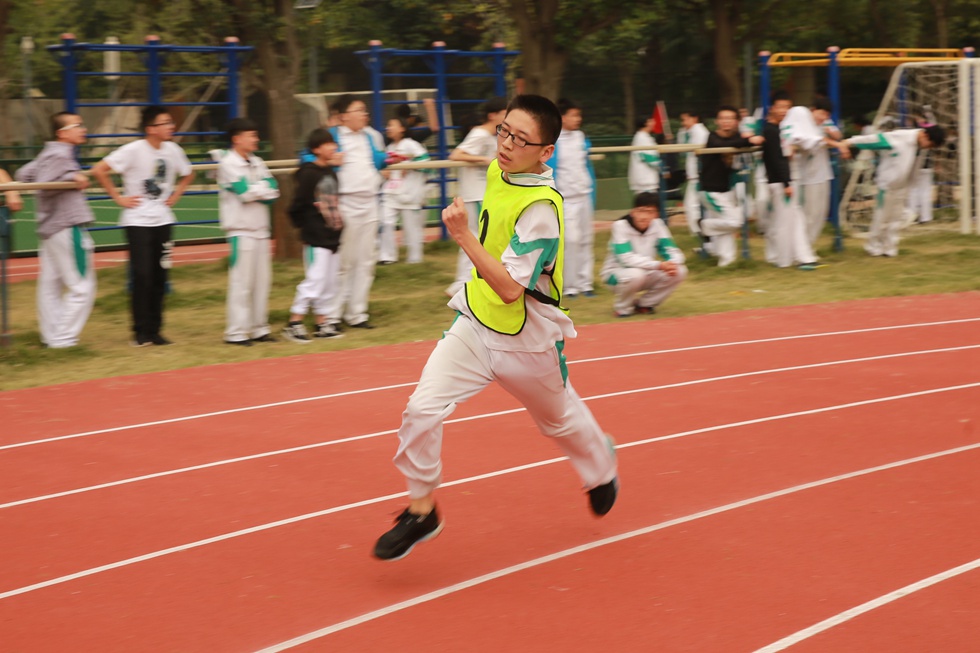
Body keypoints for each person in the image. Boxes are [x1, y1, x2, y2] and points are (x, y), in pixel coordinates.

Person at [373, 95, 619, 562]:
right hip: (475, 322)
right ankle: (422, 510)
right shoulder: (498, 170)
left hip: (527, 338)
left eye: (520, 140)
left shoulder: (542, 208)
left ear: (546, 151)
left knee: (558, 420)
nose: (505, 144)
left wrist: (462, 235)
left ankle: (601, 467)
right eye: (504, 131)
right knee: (421, 409)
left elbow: (509, 289)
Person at [92, 105, 193, 347]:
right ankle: (140, 332)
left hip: (163, 220)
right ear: (150, 128)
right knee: (142, 275)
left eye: (170, 122)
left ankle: (155, 330)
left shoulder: (173, 150)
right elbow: (99, 170)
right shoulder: (133, 149)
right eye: (165, 123)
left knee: (160, 276)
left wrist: (176, 194)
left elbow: (188, 174)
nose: (171, 127)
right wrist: (119, 198)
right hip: (137, 221)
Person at [14, 112, 95, 348]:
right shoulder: (60, 155)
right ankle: (62, 338)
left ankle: (52, 336)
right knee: (82, 287)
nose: (83, 129)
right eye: (77, 125)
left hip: (52, 228)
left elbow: (23, 175)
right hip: (66, 225)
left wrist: (69, 174)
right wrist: (72, 176)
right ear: (62, 133)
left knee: (51, 285)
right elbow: (45, 185)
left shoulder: (49, 152)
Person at [323, 94, 387, 330]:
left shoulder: (369, 136)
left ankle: (357, 314)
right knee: (343, 262)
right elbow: (308, 156)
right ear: (343, 116)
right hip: (345, 203)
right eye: (358, 110)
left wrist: (389, 159)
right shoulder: (332, 135)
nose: (364, 114)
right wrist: (330, 160)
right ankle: (331, 315)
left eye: (364, 110)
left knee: (366, 261)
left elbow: (378, 159)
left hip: (370, 202)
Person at [215, 117, 280, 346]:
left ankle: (259, 328)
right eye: (252, 135)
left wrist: (257, 190)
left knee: (262, 283)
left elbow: (274, 190)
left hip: (261, 229)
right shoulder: (227, 163)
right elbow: (244, 194)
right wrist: (261, 189)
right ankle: (236, 332)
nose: (256, 139)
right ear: (237, 139)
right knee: (241, 283)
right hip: (240, 230)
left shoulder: (257, 161)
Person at [839, 124, 946, 257]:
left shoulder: (920, 147)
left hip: (902, 186)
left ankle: (889, 248)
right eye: (930, 145)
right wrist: (849, 142)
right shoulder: (899, 137)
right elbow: (873, 139)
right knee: (881, 218)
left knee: (894, 220)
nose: (928, 148)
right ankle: (873, 247)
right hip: (887, 185)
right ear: (925, 135)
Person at [282, 128, 345, 343]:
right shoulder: (309, 174)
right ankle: (294, 322)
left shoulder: (331, 172)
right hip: (316, 237)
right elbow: (296, 206)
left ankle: (321, 323)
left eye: (333, 143)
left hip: (332, 236)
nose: (333, 147)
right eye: (327, 144)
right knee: (315, 281)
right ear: (316, 149)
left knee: (329, 282)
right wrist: (307, 228)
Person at [445, 96, 508, 297]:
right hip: (476, 195)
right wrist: (484, 159)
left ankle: (466, 283)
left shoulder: (492, 136)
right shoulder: (480, 133)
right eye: (505, 113)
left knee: (478, 238)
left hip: (482, 194)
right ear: (493, 115)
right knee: (477, 238)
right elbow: (456, 155)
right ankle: (461, 284)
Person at [600, 192, 686, 317]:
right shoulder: (620, 226)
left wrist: (673, 264)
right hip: (616, 276)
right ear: (633, 212)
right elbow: (626, 259)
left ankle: (645, 304)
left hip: (646, 272)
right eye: (640, 211)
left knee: (680, 271)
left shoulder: (658, 225)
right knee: (636, 274)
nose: (644, 216)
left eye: (650, 212)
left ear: (656, 214)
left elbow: (672, 250)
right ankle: (623, 308)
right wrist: (659, 265)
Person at [698, 105, 764, 267]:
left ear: (736, 121)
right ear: (717, 121)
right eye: (723, 118)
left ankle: (727, 261)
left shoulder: (735, 137)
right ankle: (704, 225)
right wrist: (748, 140)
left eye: (730, 118)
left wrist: (748, 139)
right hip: (710, 191)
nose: (726, 121)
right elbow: (720, 145)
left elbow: (738, 143)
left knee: (725, 226)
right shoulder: (712, 137)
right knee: (735, 222)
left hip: (726, 189)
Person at [759, 93, 818, 269]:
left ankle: (801, 256)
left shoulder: (782, 130)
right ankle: (783, 259)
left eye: (787, 107)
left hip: (784, 181)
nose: (784, 111)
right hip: (780, 182)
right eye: (780, 107)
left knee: (794, 219)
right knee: (784, 222)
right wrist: (786, 183)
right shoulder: (771, 131)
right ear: (772, 108)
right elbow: (777, 159)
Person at [548, 98, 596, 298]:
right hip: (565, 199)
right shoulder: (552, 139)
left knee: (586, 240)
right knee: (571, 241)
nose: (578, 119)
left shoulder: (581, 137)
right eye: (574, 115)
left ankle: (586, 283)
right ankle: (570, 286)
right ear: (562, 117)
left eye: (579, 115)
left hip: (584, 195)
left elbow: (586, 164)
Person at [782, 98, 838, 246]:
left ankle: (808, 247)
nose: (823, 117)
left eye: (827, 115)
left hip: (823, 173)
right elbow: (801, 139)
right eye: (822, 113)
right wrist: (835, 143)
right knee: (809, 213)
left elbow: (835, 136)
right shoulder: (798, 121)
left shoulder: (822, 125)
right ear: (812, 110)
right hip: (807, 177)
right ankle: (801, 247)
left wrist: (832, 137)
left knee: (820, 212)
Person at [378, 117, 431, 265]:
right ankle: (387, 257)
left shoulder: (411, 145)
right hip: (391, 192)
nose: (388, 128)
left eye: (392, 125)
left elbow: (426, 162)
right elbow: (384, 166)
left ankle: (414, 259)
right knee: (385, 222)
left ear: (402, 128)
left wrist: (409, 165)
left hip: (409, 194)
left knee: (411, 228)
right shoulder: (389, 148)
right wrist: (384, 172)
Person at [677, 110, 710, 235]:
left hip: (699, 175)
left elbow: (695, 152)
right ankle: (699, 230)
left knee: (692, 205)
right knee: (693, 205)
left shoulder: (699, 132)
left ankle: (698, 230)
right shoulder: (691, 132)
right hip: (695, 175)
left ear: (695, 118)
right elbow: (683, 152)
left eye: (685, 119)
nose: (683, 123)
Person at [628, 115, 661, 196]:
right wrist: (662, 166)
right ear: (646, 123)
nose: (654, 123)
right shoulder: (642, 138)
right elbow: (651, 159)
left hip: (646, 180)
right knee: (647, 203)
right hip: (645, 181)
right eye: (651, 121)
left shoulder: (643, 137)